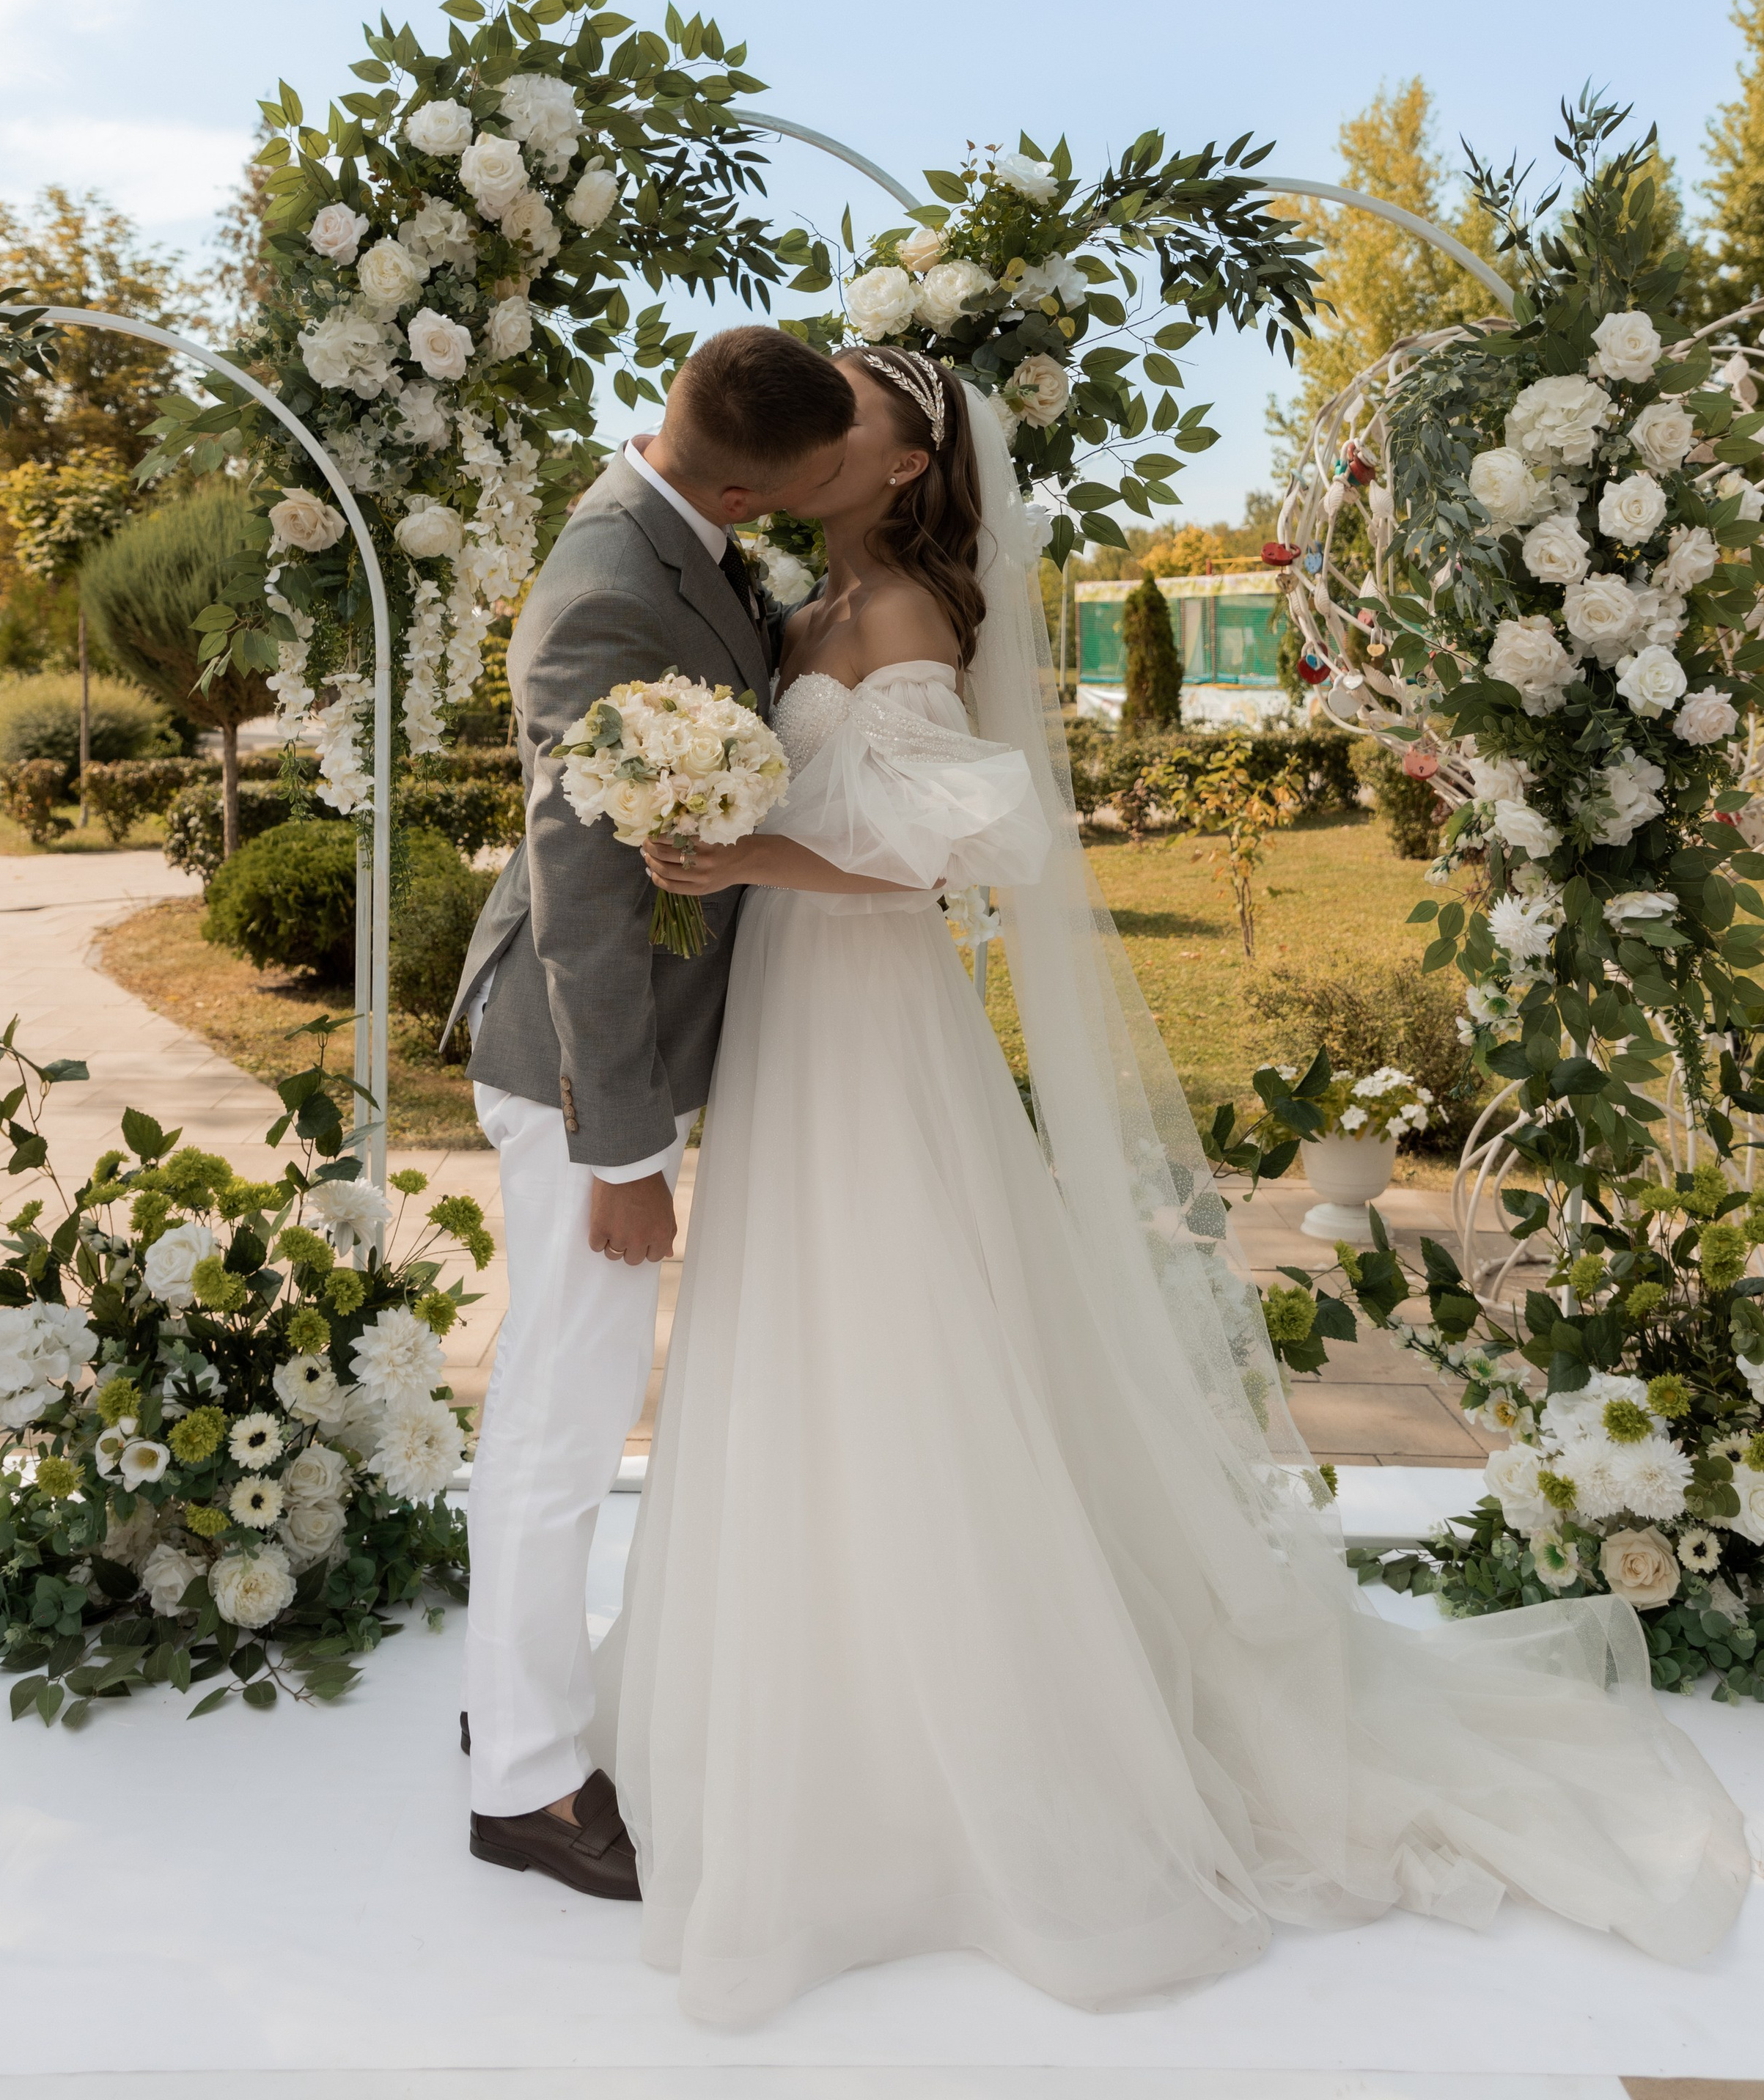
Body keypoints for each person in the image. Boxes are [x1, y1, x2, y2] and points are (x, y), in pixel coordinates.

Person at [591, 344, 1752, 2023]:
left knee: (906, 1330)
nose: (821, 430)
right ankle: (807, 1690)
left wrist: (752, 850)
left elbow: (967, 848)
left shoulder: (909, 618)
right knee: (801, 1333)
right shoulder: (787, 609)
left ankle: (961, 1747)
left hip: (868, 1018)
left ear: (910, 462)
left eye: (850, 411)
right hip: (789, 1012)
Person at [442, 324, 857, 1897]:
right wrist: (620, 1149)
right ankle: (528, 1786)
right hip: (573, 1071)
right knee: (560, 1413)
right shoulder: (608, 586)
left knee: (561, 1400)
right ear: (746, 476)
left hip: (622, 1057)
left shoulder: (688, 534)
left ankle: (511, 1697)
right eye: (810, 483)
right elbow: (583, 898)